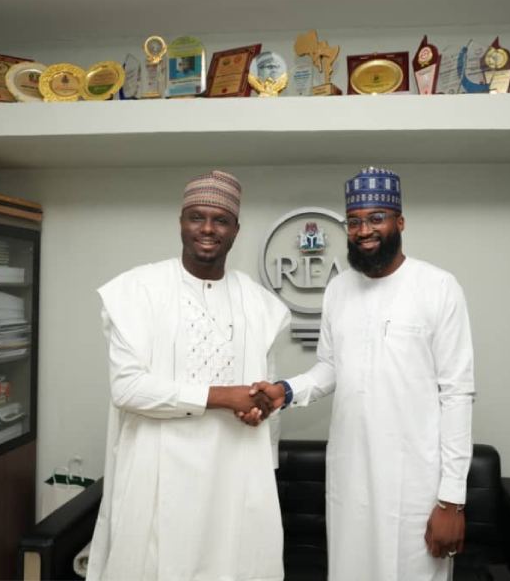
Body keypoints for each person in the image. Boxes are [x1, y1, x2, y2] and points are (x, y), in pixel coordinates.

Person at [249, 167, 475, 581]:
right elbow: (332, 368)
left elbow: (457, 394)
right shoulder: (338, 290)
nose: (364, 230)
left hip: (416, 485)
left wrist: (452, 500)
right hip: (351, 479)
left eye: (376, 218)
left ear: (399, 222)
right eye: (354, 222)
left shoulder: (439, 287)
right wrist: (285, 390)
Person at [87, 170, 289, 581]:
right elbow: (127, 390)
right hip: (157, 474)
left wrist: (260, 410)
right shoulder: (137, 290)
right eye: (197, 217)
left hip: (232, 478)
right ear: (181, 222)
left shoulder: (260, 304)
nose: (208, 229)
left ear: (236, 230)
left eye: (221, 219)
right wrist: (223, 396)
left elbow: (262, 395)